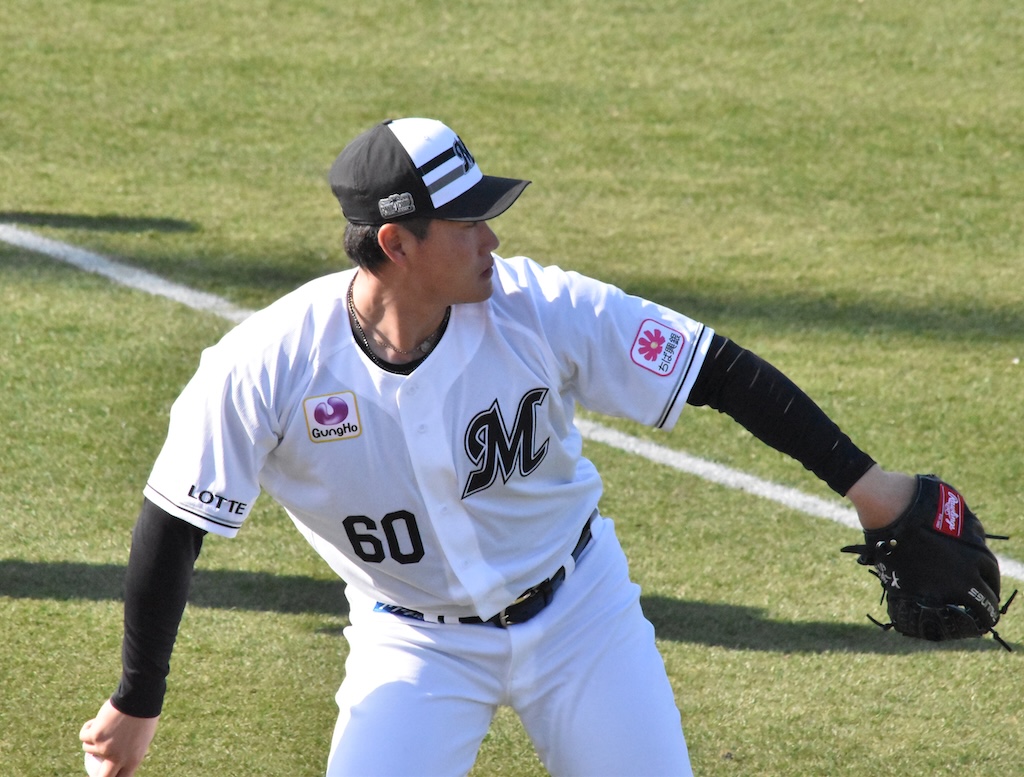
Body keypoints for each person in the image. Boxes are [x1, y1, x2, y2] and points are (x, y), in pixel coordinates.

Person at [80, 117, 918, 776]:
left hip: (582, 614)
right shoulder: (265, 365)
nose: (492, 239)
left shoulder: (536, 306)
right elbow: (174, 523)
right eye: (468, 222)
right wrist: (137, 698)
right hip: (414, 642)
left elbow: (716, 370)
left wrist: (871, 486)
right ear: (396, 244)